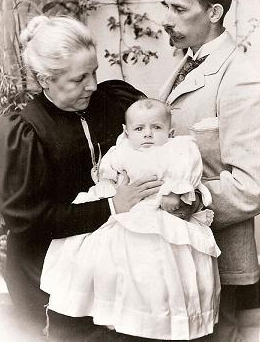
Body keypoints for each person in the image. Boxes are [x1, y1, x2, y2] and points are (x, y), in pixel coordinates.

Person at [0, 15, 164, 340]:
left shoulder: (116, 104)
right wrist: (111, 206)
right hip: (48, 276)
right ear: (45, 79)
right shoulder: (23, 134)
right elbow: (32, 220)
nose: (92, 85)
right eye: (79, 79)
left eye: (94, 72)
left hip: (118, 265)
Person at [41, 98, 221, 341]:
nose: (147, 134)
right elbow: (108, 179)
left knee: (161, 264)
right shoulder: (121, 151)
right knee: (110, 254)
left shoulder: (178, 149)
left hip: (162, 211)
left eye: (156, 128)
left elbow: (185, 173)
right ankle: (118, 311)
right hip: (127, 209)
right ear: (126, 132)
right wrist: (111, 189)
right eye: (139, 129)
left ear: (170, 131)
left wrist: (175, 191)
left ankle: (161, 318)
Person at [159, 0, 260, 342]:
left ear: (214, 12)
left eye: (179, 9)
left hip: (222, 260)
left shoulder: (241, 78)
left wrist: (183, 203)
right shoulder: (188, 62)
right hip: (183, 256)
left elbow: (252, 186)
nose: (167, 19)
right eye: (166, 7)